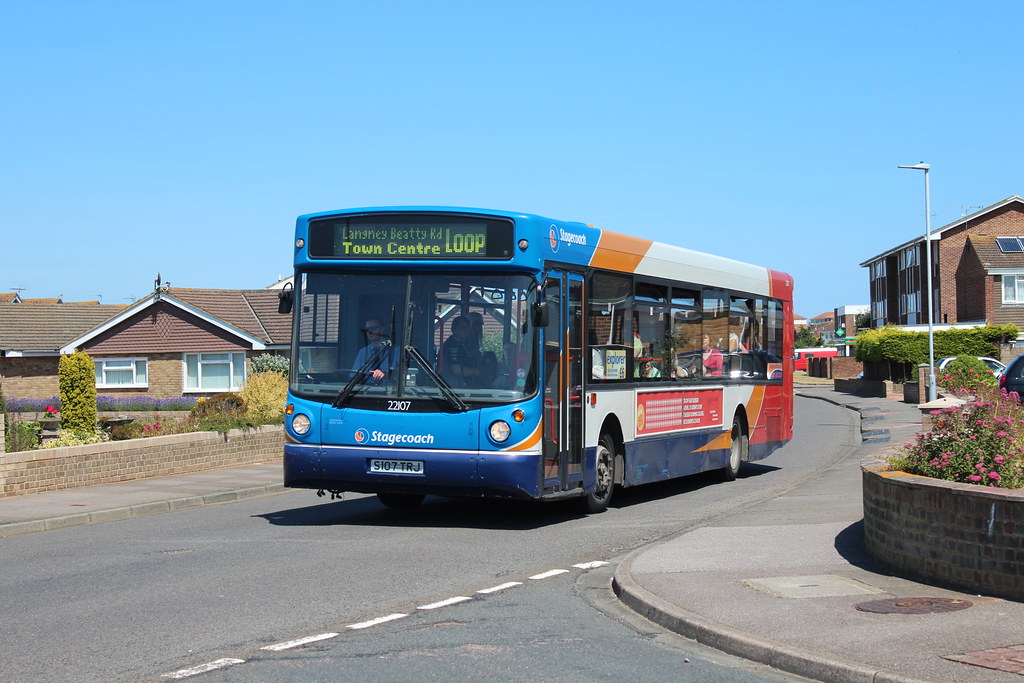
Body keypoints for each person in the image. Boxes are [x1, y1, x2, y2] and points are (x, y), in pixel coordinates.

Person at [352, 317, 398, 384]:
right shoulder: (363, 352)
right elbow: (354, 376)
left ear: (382, 329)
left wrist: (384, 374)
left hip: (389, 393)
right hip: (364, 392)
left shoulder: (396, 351)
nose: (369, 332)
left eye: (373, 328)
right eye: (367, 329)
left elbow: (398, 374)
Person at [441, 315, 480, 387]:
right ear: (453, 329)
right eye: (461, 327)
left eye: (467, 327)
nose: (465, 330)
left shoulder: (462, 345)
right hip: (451, 390)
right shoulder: (452, 344)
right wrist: (475, 372)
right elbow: (456, 370)